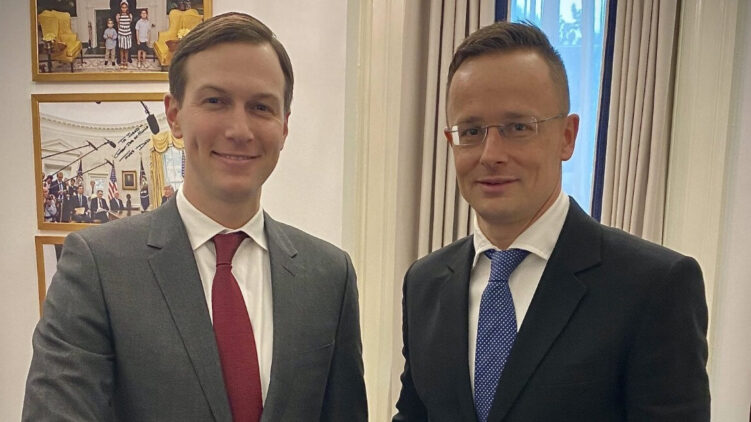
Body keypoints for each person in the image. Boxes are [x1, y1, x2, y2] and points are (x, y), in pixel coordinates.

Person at [24, 12, 367, 422]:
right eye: (215, 101)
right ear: (174, 115)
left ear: (284, 127)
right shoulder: (98, 267)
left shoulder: (330, 276)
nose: (239, 129)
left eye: (261, 107)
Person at [393, 22, 709, 422]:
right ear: (451, 140)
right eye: (471, 131)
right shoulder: (424, 284)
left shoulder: (655, 286)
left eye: (518, 127)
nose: (491, 154)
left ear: (567, 136)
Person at [116, 1, 133, 69]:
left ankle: (126, 62)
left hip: (127, 34)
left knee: (126, 49)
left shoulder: (130, 15)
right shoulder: (118, 15)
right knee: (121, 49)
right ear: (121, 8)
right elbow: (118, 25)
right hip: (121, 34)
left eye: (125, 7)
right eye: (122, 7)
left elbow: (129, 24)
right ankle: (121, 62)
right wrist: (119, 32)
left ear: (127, 8)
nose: (124, 9)